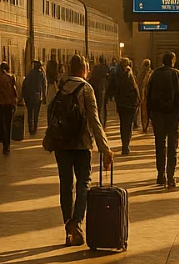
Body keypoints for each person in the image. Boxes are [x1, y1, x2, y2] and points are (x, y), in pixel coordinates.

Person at [47, 54, 113, 247]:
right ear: (84, 69)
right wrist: (105, 149)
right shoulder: (86, 88)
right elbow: (94, 120)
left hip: (61, 145)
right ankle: (77, 222)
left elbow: (51, 116)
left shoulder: (57, 87)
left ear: (68, 68)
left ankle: (68, 227)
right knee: (83, 182)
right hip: (82, 144)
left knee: (65, 184)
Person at [146, 51, 179, 187]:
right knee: (172, 147)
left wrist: (150, 113)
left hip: (158, 115)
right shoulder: (178, 74)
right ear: (172, 61)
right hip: (173, 116)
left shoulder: (155, 74)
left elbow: (148, 95)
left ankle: (160, 175)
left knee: (160, 144)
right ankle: (171, 176)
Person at [110, 58, 141, 155]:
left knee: (123, 124)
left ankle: (124, 145)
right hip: (131, 104)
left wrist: (111, 96)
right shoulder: (129, 73)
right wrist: (139, 99)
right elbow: (135, 87)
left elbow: (112, 86)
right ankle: (126, 146)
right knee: (129, 125)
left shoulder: (116, 74)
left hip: (121, 103)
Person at [0, 62, 19, 155]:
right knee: (8, 124)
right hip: (9, 104)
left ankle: (1, 137)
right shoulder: (11, 77)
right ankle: (7, 146)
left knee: (1, 123)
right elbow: (14, 91)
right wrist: (15, 103)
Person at [22, 61, 47, 136]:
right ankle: (35, 128)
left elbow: (25, 84)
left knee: (30, 113)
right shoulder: (41, 74)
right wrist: (44, 96)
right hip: (38, 96)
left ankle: (30, 128)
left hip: (30, 96)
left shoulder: (30, 74)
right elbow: (44, 86)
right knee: (36, 114)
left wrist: (24, 95)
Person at [88, 55, 111, 127]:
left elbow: (92, 78)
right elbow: (109, 79)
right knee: (103, 107)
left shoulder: (95, 68)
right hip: (102, 90)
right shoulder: (106, 68)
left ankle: (98, 121)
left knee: (97, 106)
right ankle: (102, 122)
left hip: (95, 89)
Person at [137, 58, 153, 132]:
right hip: (150, 94)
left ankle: (145, 126)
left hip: (143, 95)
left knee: (144, 112)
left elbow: (138, 83)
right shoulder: (152, 73)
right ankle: (146, 125)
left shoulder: (141, 73)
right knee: (149, 110)